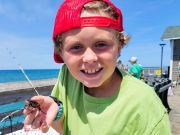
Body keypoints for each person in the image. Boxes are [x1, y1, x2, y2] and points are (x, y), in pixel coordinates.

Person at [23, 0, 171, 135]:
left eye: (101, 44)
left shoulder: (144, 104)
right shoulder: (67, 75)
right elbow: (65, 128)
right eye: (76, 47)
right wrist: (56, 113)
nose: (89, 58)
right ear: (61, 53)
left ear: (119, 47)